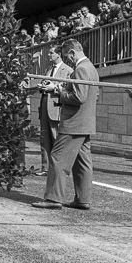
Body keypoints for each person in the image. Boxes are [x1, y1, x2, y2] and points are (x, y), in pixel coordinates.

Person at [33, 39, 98, 210]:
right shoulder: (91, 68)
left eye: (67, 56)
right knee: (82, 162)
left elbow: (78, 97)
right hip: (84, 122)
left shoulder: (81, 69)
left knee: (57, 158)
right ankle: (83, 199)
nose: (68, 60)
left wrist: (59, 90)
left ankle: (53, 199)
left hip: (73, 122)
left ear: (72, 53)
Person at [31, 45, 72, 175]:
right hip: (44, 105)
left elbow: (68, 88)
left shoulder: (68, 70)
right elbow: (46, 83)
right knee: (45, 137)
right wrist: (41, 86)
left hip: (56, 107)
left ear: (59, 54)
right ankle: (46, 167)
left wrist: (53, 88)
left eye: (51, 53)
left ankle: (59, 168)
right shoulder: (49, 69)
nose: (48, 56)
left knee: (57, 138)